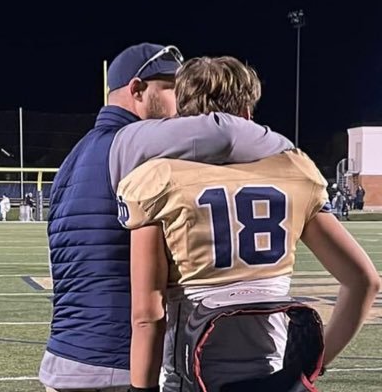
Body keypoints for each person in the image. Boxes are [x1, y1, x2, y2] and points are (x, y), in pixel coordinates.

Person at [117, 57, 381, 392]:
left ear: (182, 114)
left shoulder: (158, 178)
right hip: (270, 378)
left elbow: (146, 314)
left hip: (192, 380)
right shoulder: (295, 171)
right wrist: (314, 365)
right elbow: (364, 282)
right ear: (246, 113)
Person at [40, 45, 293, 392]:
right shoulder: (131, 139)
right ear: (137, 89)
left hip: (64, 357)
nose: (182, 102)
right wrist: (289, 153)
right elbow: (225, 132)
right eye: (172, 87)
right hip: (115, 363)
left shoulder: (74, 157)